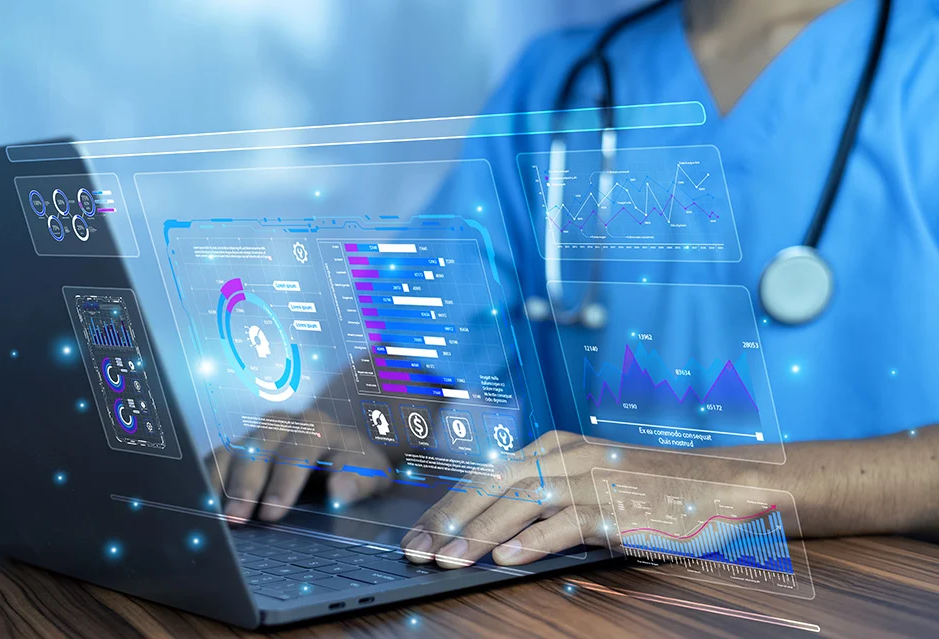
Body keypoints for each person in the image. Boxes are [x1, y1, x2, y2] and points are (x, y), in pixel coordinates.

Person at [216, 0, 939, 568]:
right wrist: (337, 422)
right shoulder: (561, 80)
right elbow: (426, 350)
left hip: (862, 601)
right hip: (583, 593)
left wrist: (725, 485)